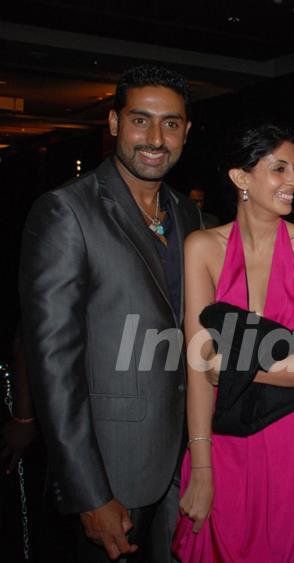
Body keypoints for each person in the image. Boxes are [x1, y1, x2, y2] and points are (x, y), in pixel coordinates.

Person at [18, 65, 202, 562]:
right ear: (115, 123)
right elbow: (53, 365)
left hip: (183, 462)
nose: (156, 139)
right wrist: (88, 491)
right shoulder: (65, 212)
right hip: (111, 470)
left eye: (170, 124)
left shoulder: (189, 215)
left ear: (186, 131)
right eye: (141, 121)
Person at [172, 123, 294, 562]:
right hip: (223, 443)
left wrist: (234, 366)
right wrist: (202, 468)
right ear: (241, 178)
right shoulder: (202, 247)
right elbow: (197, 368)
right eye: (279, 169)